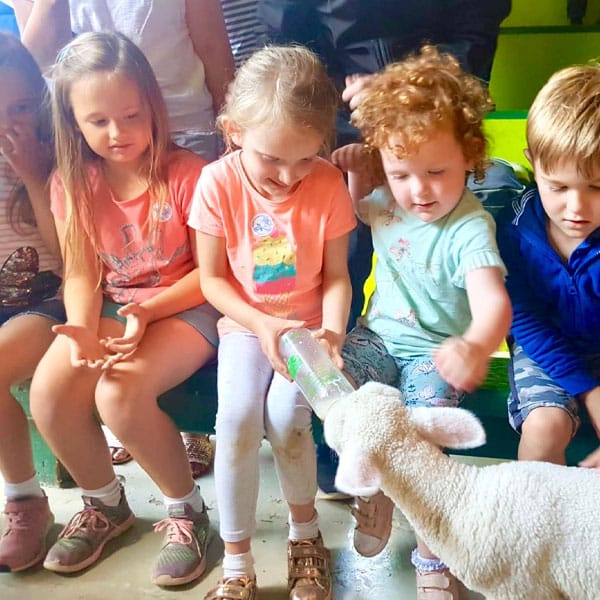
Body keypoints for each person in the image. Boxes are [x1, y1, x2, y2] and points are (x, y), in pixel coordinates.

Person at [28, 31, 220, 586]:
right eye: (99, 121)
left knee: (118, 392)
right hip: (118, 305)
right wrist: (82, 329)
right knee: (50, 389)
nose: (118, 133)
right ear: (73, 121)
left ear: (153, 106)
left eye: (132, 115)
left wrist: (149, 313)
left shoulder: (190, 175)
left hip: (188, 305)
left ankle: (188, 512)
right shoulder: (72, 182)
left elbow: (211, 277)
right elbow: (84, 272)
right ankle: (105, 504)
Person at [331, 45, 512, 599]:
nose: (420, 190)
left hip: (434, 352)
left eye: (437, 171)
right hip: (379, 338)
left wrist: (476, 344)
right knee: (332, 385)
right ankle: (376, 492)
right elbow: (357, 210)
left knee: (425, 433)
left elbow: (494, 303)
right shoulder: (386, 199)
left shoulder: (468, 228)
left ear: (470, 157)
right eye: (402, 171)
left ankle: (435, 560)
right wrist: (359, 173)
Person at [190, 45, 355, 599]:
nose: (288, 177)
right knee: (235, 420)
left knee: (287, 420)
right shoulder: (216, 183)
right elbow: (212, 281)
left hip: (308, 330)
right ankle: (236, 561)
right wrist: (260, 324)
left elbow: (336, 276)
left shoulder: (329, 184)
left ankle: (305, 538)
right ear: (232, 130)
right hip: (244, 326)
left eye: (305, 159)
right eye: (271, 158)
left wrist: (331, 330)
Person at [495, 64, 600, 469]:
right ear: (532, 163)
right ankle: (536, 529)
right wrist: (590, 392)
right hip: (545, 351)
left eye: (597, 188)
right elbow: (524, 321)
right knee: (543, 429)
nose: (576, 208)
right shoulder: (516, 229)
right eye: (557, 186)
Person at [14, 0, 235, 161]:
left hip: (183, 128)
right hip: (95, 136)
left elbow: (212, 47)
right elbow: (36, 65)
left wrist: (233, 134)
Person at [0, 31, 62, 573]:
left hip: (51, 303)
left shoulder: (53, 154)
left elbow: (69, 252)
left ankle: (24, 500)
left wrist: (33, 177)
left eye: (20, 107)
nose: (9, 125)